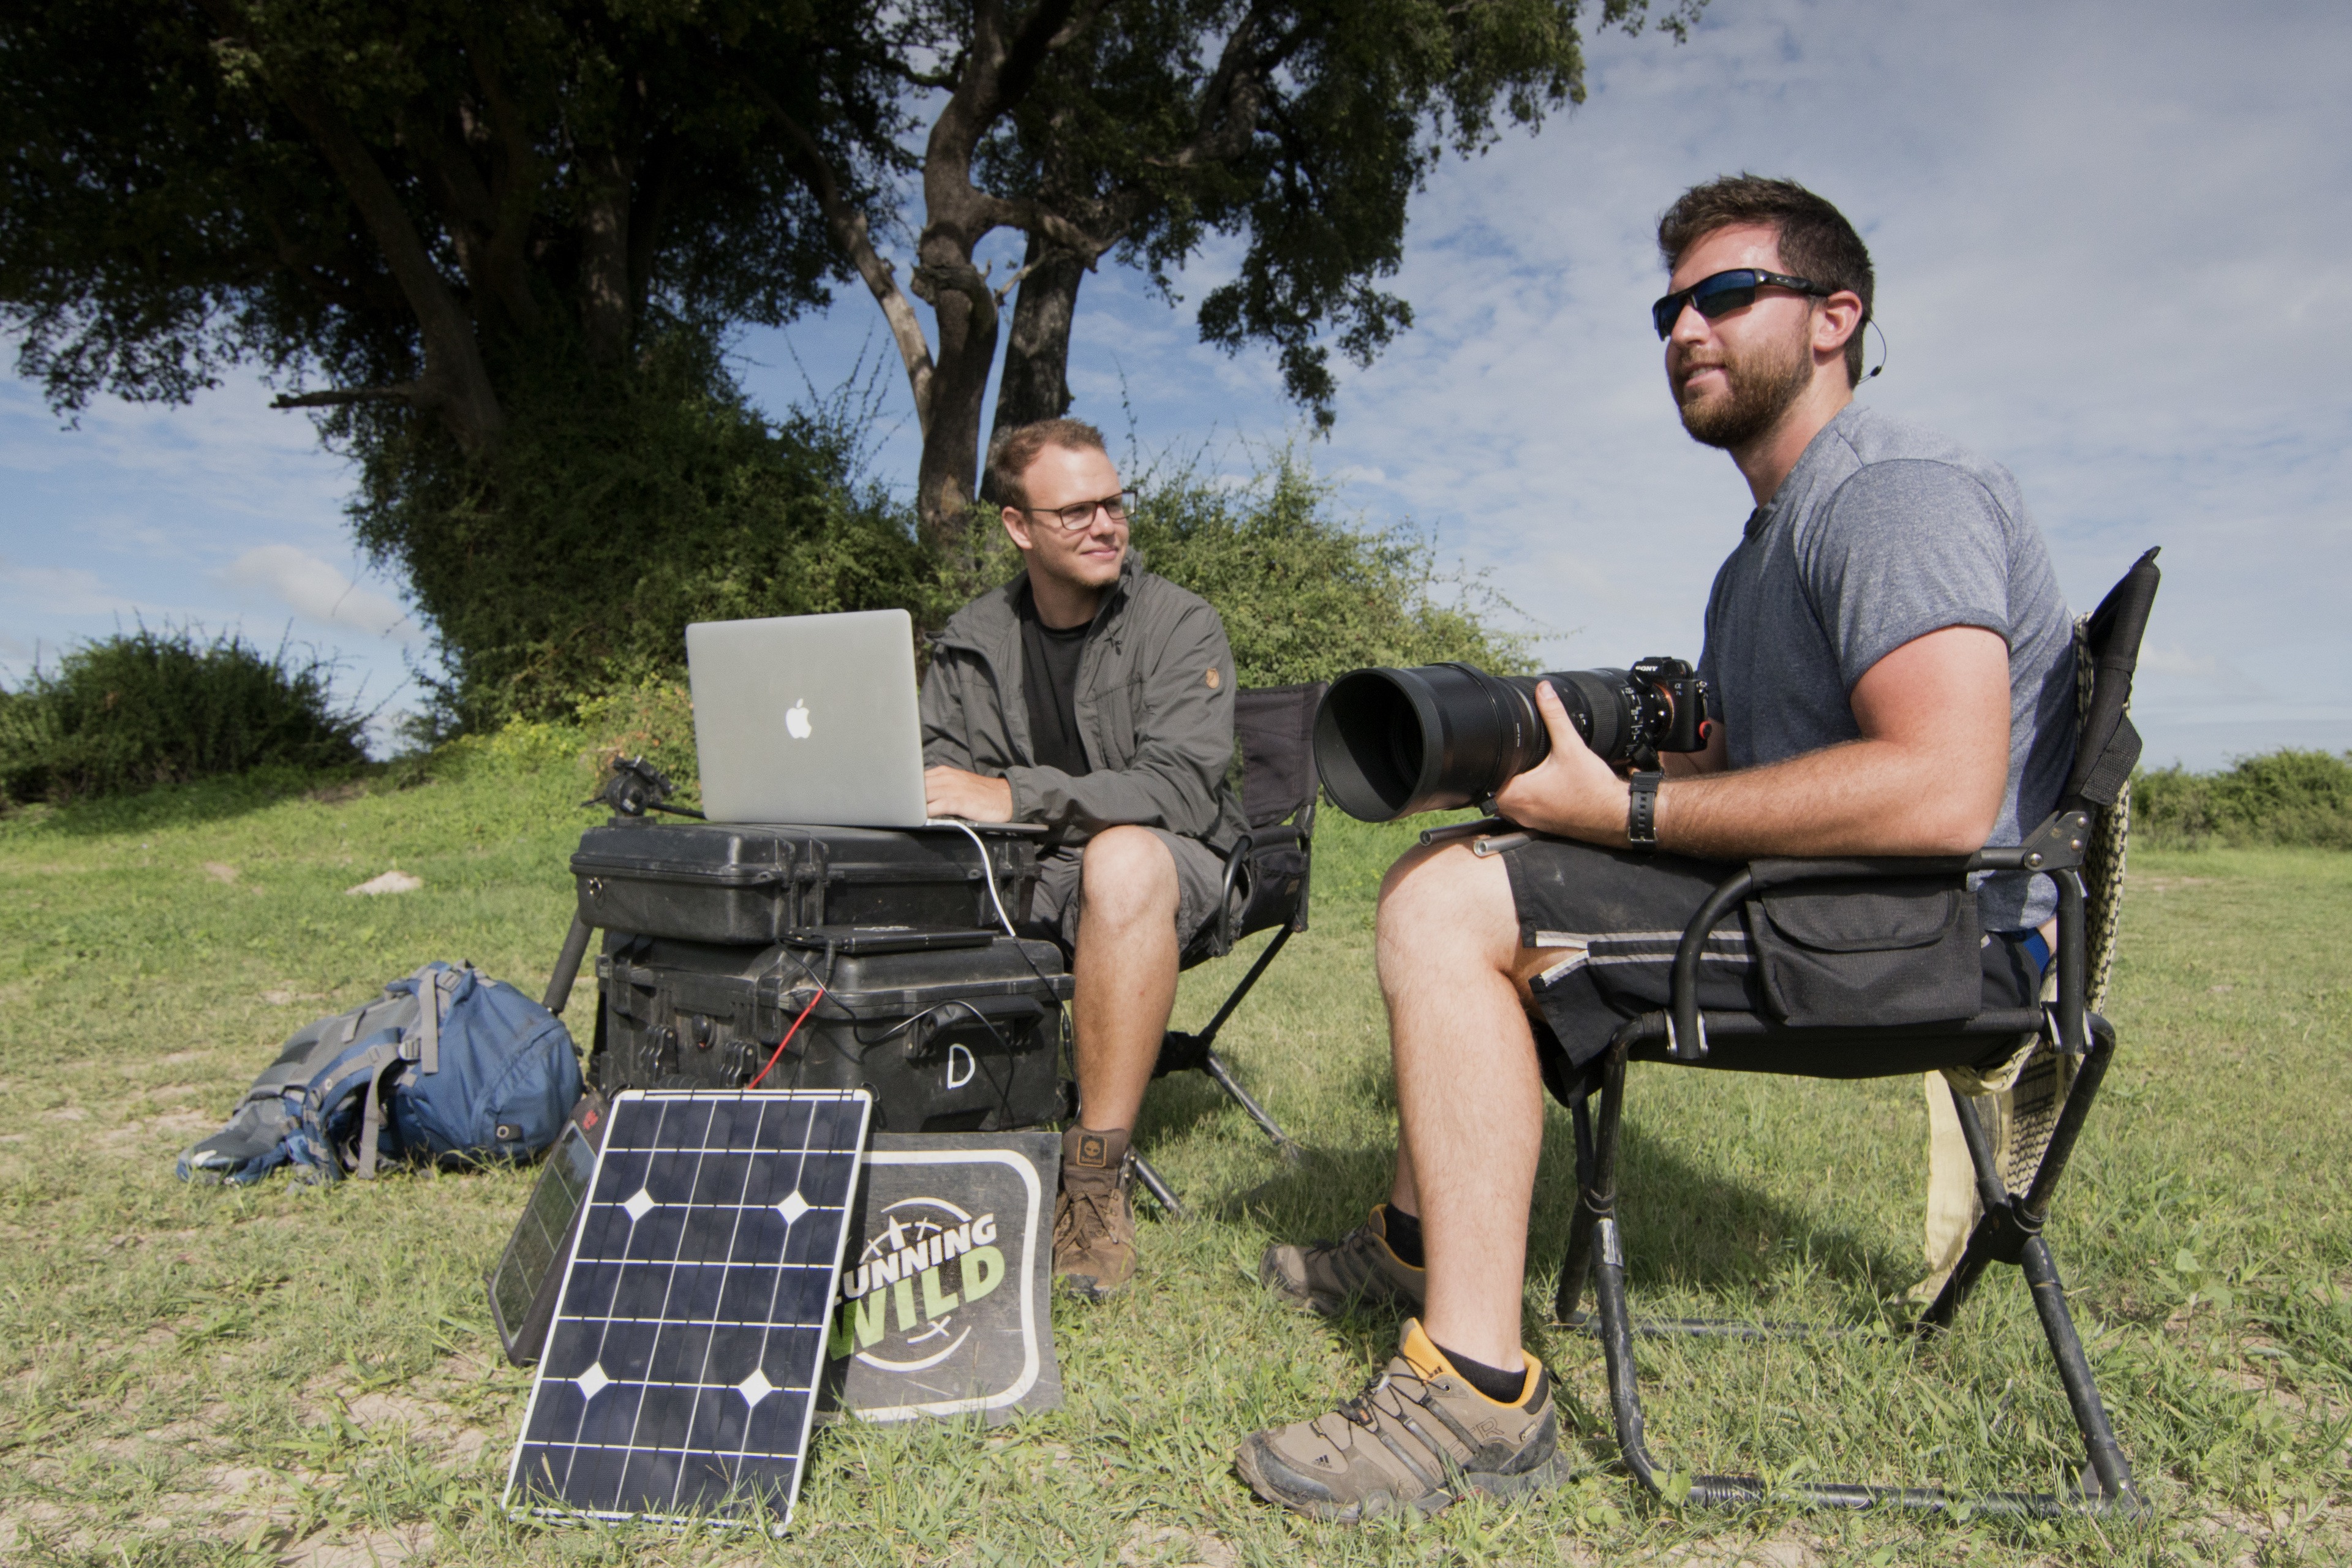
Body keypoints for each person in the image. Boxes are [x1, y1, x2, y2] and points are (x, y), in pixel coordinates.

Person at [1234, 174, 2079, 1521]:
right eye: (1669, 306)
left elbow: (1936, 788)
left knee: (1450, 908)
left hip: (1928, 933)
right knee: (1457, 861)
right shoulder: (1765, 545)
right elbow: (1788, 766)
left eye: (1727, 293)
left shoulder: (1892, 490)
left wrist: (1628, 814)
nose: (1687, 325)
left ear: (1832, 318)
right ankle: (1415, 1241)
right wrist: (1599, 771)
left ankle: (1479, 1395)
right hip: (1849, 901)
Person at [921, 417, 1246, 1299]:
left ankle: (1094, 1183)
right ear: (1019, 528)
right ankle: (899, 1137)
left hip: (1169, 865)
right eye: (1077, 511)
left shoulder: (1179, 624)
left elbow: (1179, 789)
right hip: (1020, 868)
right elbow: (937, 766)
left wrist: (1017, 797)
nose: (1106, 525)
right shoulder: (972, 637)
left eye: (1114, 503)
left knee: (1124, 860)